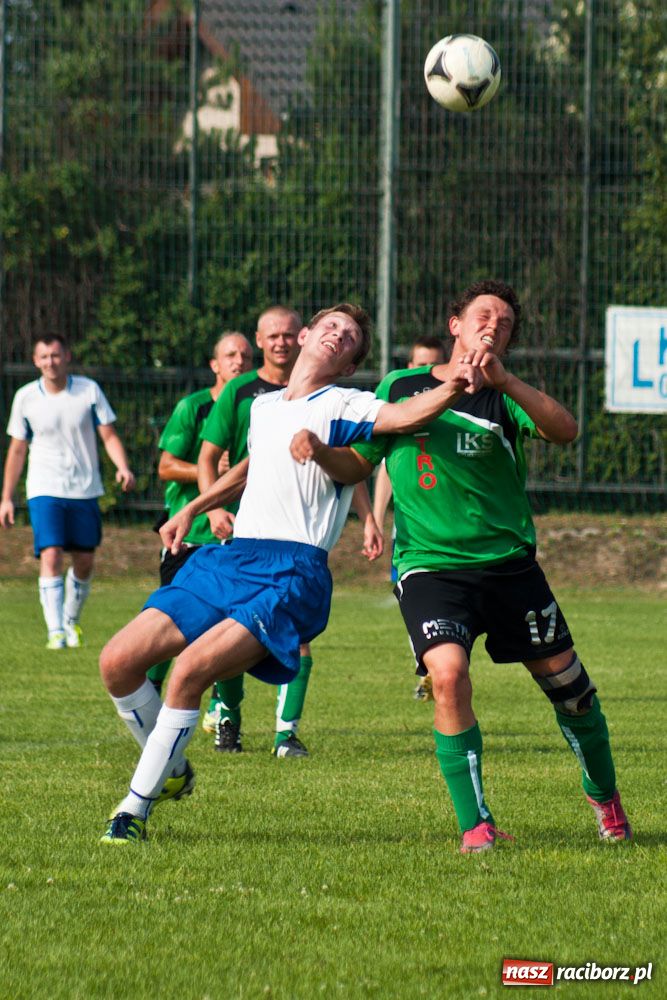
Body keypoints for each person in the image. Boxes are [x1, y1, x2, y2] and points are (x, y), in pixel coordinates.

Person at [98, 302, 483, 843]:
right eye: (330, 326)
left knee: (188, 673)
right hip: (233, 558)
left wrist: (455, 386)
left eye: (350, 338)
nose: (338, 335)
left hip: (292, 571)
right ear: (305, 335)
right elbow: (250, 468)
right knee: (117, 662)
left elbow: (407, 416)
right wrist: (192, 507)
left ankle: (131, 813)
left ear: (350, 365)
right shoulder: (264, 407)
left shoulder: (347, 402)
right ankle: (172, 770)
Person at [350, 279, 632, 853]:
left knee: (572, 691)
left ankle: (603, 795)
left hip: (509, 568)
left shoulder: (506, 397)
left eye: (505, 324)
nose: (493, 326)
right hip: (431, 568)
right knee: (448, 677)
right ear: (455, 324)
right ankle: (475, 823)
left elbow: (566, 430)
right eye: (483, 316)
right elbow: (362, 455)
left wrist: (505, 380)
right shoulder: (401, 387)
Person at [197, 305, 380, 758]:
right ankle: (228, 720)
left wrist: (368, 517)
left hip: (298, 547)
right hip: (247, 536)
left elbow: (349, 464)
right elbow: (226, 459)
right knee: (222, 633)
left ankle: (285, 733)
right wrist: (205, 509)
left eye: (286, 332)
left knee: (297, 637)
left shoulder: (341, 401)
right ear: (265, 340)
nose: (280, 341)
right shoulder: (245, 395)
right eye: (272, 335)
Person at [1, 334, 135, 648]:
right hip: (44, 488)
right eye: (44, 357)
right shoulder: (26, 397)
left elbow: (109, 435)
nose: (51, 362)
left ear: (67, 356)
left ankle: (71, 620)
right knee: (50, 554)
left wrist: (123, 466)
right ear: (36, 361)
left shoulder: (88, 391)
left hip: (85, 489)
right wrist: (7, 496)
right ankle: (55, 632)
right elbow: (17, 450)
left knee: (85, 560)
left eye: (56, 355)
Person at [144, 331, 254, 696]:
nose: (239, 361)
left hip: (239, 536)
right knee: (169, 620)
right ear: (215, 365)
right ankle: (151, 693)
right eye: (230, 355)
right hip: (189, 537)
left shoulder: (262, 407)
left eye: (245, 356)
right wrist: (210, 472)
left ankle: (226, 715)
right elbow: (166, 466)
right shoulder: (193, 407)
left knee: (231, 628)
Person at [371, 337, 446, 702]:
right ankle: (428, 664)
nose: (423, 372)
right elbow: (384, 468)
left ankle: (433, 667)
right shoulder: (398, 405)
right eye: (418, 364)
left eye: (430, 364)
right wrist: (376, 516)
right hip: (409, 530)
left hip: (449, 528)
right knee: (412, 595)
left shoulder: (451, 410)